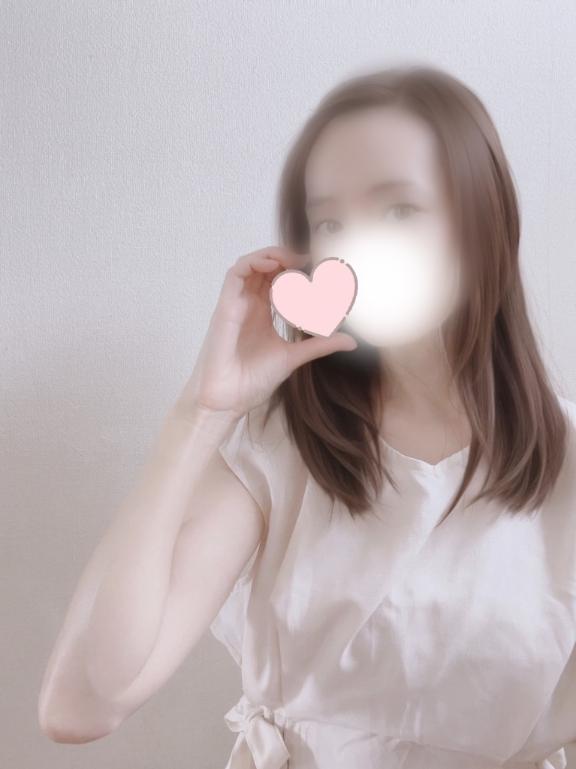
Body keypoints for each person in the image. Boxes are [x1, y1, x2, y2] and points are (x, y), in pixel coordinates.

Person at [38, 66, 576, 769]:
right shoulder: (279, 445)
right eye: (330, 222)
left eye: (398, 210)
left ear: (484, 222)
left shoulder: (567, 461)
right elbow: (80, 705)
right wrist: (202, 410)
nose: (357, 247)